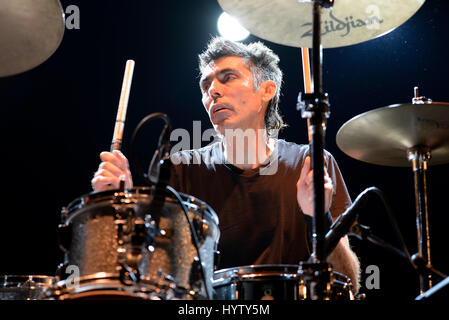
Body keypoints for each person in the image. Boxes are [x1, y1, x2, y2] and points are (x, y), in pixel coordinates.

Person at [91, 37, 361, 292]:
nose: (213, 91)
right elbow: (148, 276)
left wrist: (319, 217)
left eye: (228, 77)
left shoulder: (312, 163)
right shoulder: (180, 169)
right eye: (205, 85)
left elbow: (349, 283)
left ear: (266, 90)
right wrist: (116, 207)